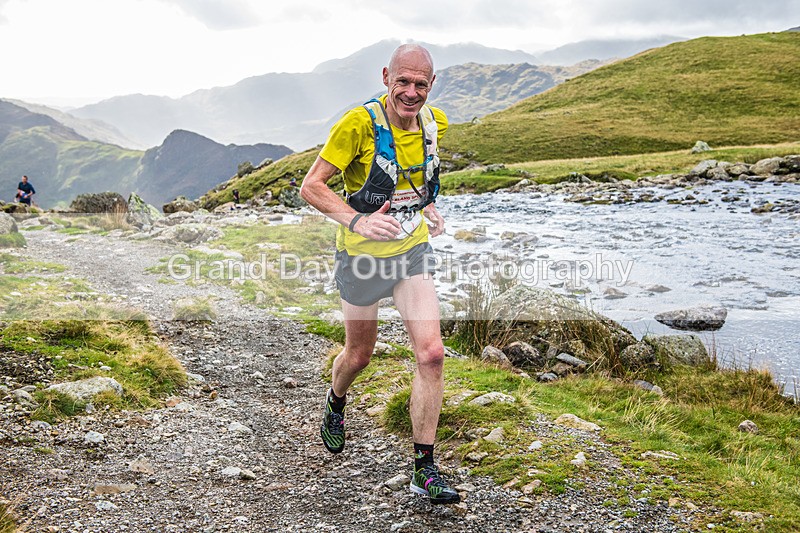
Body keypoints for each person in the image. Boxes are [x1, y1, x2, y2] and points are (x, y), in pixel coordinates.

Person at [300, 44, 459, 505]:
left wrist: (426, 204)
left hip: (412, 252)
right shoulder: (357, 125)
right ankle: (335, 400)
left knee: (431, 355)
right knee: (359, 356)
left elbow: (413, 176)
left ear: (432, 85)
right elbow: (312, 186)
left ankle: (423, 468)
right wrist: (358, 220)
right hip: (362, 258)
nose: (411, 93)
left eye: (421, 84)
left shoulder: (435, 124)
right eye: (403, 82)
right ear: (386, 76)